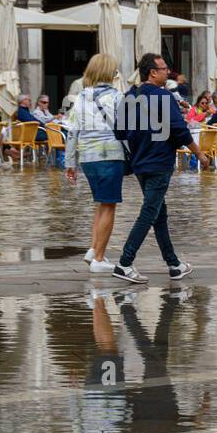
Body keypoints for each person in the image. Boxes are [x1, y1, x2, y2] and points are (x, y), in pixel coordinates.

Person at [112, 52, 210, 284]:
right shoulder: (163, 97)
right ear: (152, 72)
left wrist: (141, 135)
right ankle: (124, 263)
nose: (168, 71)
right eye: (164, 68)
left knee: (159, 213)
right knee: (149, 212)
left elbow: (120, 132)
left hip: (139, 162)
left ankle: (174, 264)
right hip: (159, 161)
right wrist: (199, 153)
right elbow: (180, 131)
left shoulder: (130, 96)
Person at [63, 53, 127, 274]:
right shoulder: (117, 97)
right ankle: (99, 258)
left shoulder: (80, 97)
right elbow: (127, 130)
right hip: (110, 155)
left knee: (101, 203)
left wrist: (69, 163)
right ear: (110, 73)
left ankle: (93, 250)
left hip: (87, 158)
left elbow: (72, 132)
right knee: (109, 206)